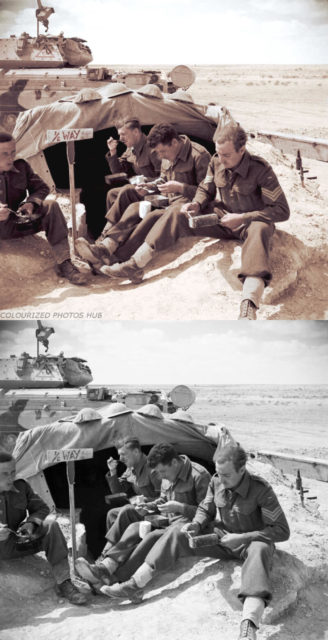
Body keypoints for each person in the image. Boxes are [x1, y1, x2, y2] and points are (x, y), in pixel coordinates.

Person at [99, 444, 290, 640]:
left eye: (226, 475)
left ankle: (249, 625)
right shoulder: (216, 482)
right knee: (177, 533)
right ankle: (134, 584)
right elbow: (206, 509)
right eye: (219, 474)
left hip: (251, 542)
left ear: (242, 470)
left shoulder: (261, 490)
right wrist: (196, 525)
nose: (221, 480)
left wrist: (243, 538)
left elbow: (282, 531)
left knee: (260, 549)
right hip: (222, 537)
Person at [100, 123, 290, 318]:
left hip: (249, 222)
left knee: (260, 229)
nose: (221, 160)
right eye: (219, 153)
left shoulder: (261, 170)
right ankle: (135, 264)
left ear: (242, 150)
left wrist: (243, 217)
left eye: (227, 155)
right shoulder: (216, 162)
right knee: (177, 212)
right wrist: (197, 204)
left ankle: (249, 304)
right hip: (221, 217)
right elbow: (206, 188)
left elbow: (282, 210)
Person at [77, 123, 211, 274]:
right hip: (166, 200)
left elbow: (207, 192)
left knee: (151, 217)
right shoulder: (167, 153)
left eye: (162, 152)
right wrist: (149, 186)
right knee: (134, 205)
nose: (160, 156)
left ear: (174, 142)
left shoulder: (199, 156)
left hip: (183, 207)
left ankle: (118, 258)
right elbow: (163, 179)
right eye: (158, 152)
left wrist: (181, 188)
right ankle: (105, 245)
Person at [76, 442, 211, 590]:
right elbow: (163, 498)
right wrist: (149, 506)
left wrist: (180, 507)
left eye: (163, 472)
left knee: (150, 537)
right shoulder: (166, 471)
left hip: (185, 527)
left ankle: (116, 578)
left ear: (174, 462)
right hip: (167, 520)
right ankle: (105, 566)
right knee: (135, 527)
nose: (161, 476)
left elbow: (207, 512)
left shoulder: (199, 475)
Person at [0, 451, 87, 605]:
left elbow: (41, 508)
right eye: (5, 473)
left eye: (13, 472)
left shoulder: (21, 486)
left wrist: (31, 523)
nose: (10, 477)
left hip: (15, 543)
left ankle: (64, 583)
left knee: (51, 525)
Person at [0, 132, 87, 285]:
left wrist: (31, 203)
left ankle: (65, 262)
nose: (10, 158)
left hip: (15, 222)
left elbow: (41, 188)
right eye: (4, 154)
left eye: (13, 152)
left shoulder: (21, 166)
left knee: (51, 206)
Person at [76, 117, 160, 262]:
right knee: (112, 194)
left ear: (135, 132)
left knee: (127, 190)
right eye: (119, 135)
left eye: (123, 134)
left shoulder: (152, 149)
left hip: (155, 194)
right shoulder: (131, 148)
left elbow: (164, 177)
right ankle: (107, 238)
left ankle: (107, 240)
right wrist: (113, 152)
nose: (120, 138)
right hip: (140, 191)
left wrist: (146, 183)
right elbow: (120, 170)